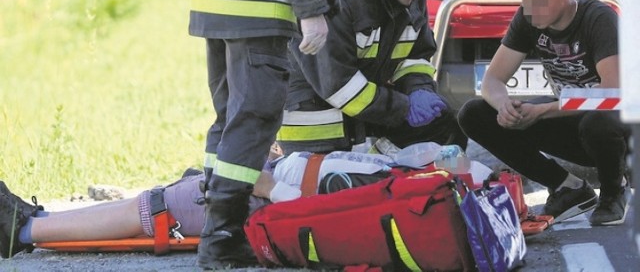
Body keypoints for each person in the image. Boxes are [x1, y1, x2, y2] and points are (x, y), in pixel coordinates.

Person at [168, 0, 339, 269]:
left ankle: (220, 230)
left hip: (212, 3)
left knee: (231, 119)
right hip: (260, 13)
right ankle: (222, 239)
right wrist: (310, 10)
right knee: (252, 119)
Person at [0, 145, 486, 258]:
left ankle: (25, 230)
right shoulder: (392, 183)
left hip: (249, 197)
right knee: (149, 205)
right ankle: (38, 219)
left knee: (145, 211)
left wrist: (244, 173)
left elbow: (290, 202)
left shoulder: (373, 184)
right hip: (258, 186)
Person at [457, 0, 631, 226]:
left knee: (597, 121)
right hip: (574, 122)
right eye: (526, 2)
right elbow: (492, 80)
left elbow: (610, 94)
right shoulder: (529, 18)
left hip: (619, 131)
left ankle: (614, 191)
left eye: (539, 2)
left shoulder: (599, 19)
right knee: (473, 113)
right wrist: (505, 106)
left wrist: (543, 110)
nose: (531, 12)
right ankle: (568, 188)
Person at [277, 0, 468, 157]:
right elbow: (339, 86)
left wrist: (418, 89)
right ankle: (373, 177)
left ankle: (408, 182)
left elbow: (417, 58)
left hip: (370, 107)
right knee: (335, 185)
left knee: (445, 127)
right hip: (316, 120)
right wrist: (404, 107)